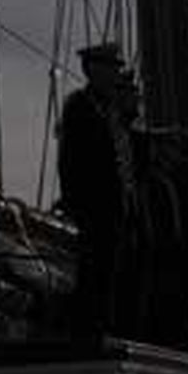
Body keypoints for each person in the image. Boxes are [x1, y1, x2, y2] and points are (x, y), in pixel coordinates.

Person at [55, 43, 139, 337]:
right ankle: (89, 329)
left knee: (110, 271)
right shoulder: (80, 106)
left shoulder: (107, 109)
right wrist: (74, 200)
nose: (115, 74)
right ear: (93, 70)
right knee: (94, 269)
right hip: (94, 205)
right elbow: (71, 160)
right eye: (111, 68)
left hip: (114, 207)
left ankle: (104, 326)